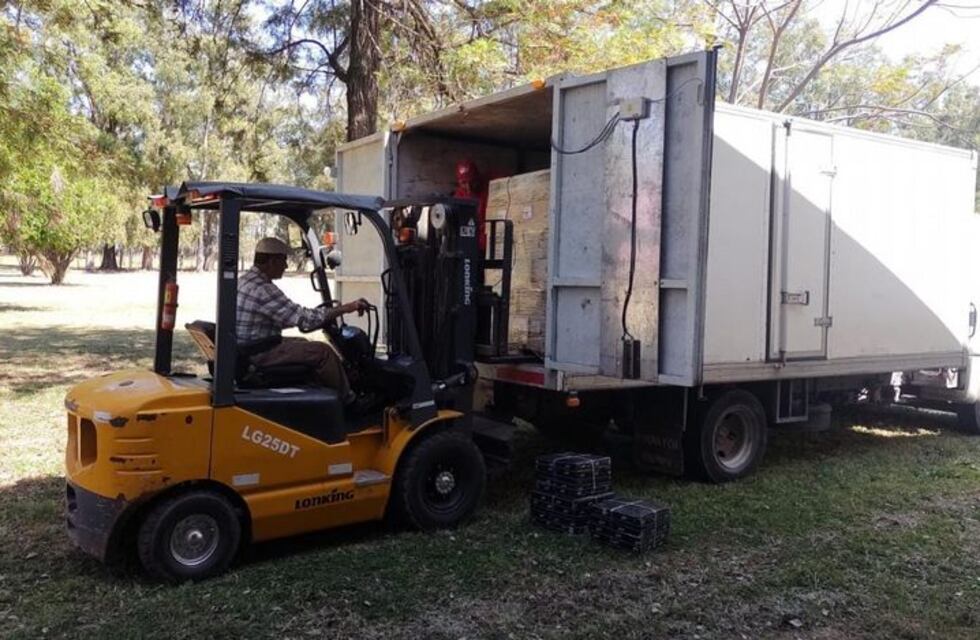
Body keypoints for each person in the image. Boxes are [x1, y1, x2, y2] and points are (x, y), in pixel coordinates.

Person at [237, 237, 368, 400]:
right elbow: (304, 320)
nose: (285, 266)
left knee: (303, 342)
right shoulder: (263, 289)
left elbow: (270, 317)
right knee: (323, 352)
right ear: (272, 261)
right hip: (260, 352)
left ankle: (323, 390)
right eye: (283, 261)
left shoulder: (244, 281)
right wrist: (347, 308)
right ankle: (349, 401)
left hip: (250, 346)